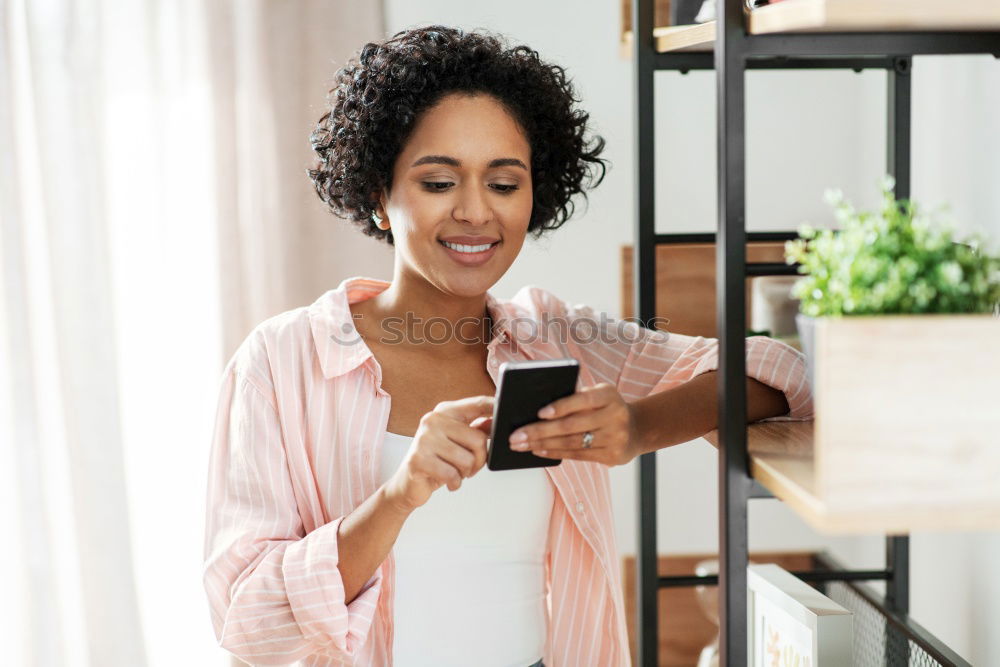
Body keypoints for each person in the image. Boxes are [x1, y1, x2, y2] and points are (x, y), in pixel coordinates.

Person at [201, 25, 813, 667]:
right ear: (381, 196)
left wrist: (637, 427)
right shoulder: (281, 362)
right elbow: (247, 618)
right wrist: (399, 495)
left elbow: (778, 374)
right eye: (438, 183)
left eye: (503, 183)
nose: (474, 213)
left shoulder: (552, 338)